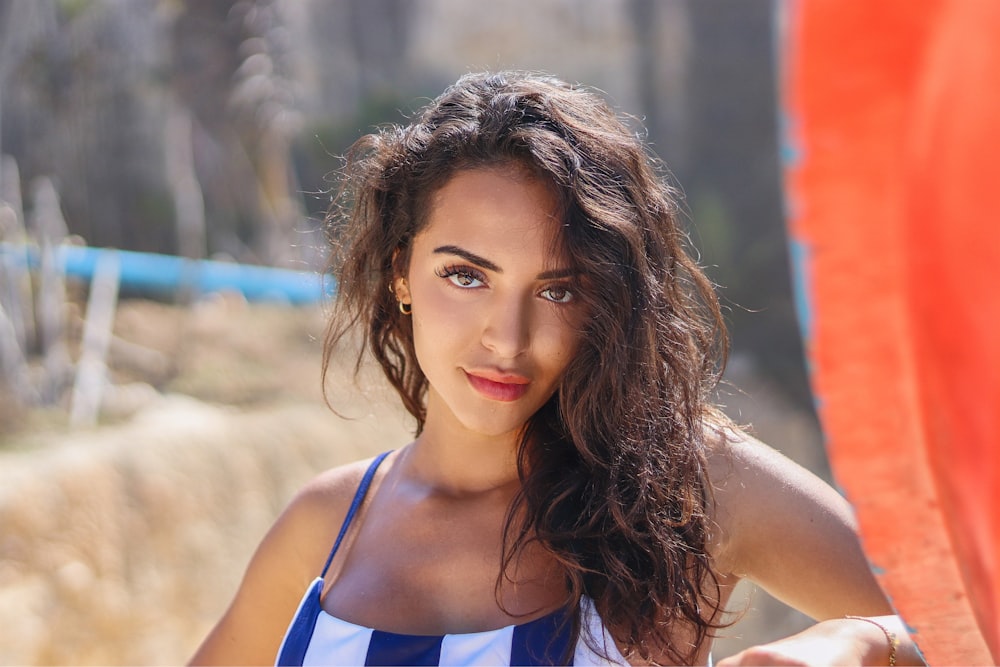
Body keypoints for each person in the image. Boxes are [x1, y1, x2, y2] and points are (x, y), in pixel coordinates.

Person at [190, 71, 921, 666]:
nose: (508, 339)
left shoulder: (685, 491)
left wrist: (863, 639)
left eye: (557, 289)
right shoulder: (326, 528)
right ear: (401, 276)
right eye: (466, 276)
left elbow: (971, 628)